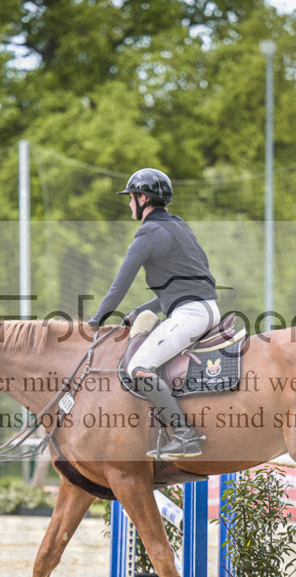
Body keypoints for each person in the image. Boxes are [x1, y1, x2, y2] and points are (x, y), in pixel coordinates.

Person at [86, 168, 220, 459]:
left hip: (190, 313)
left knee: (139, 368)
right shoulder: (180, 226)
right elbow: (180, 285)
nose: (129, 204)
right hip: (208, 308)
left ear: (142, 198)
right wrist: (139, 310)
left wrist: (94, 322)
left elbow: (118, 287)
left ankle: (184, 436)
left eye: (131, 198)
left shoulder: (148, 232)